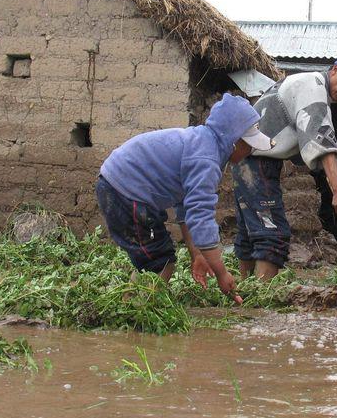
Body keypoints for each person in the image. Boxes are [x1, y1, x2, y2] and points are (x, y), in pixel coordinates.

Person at [96, 93, 274, 303]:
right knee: (160, 262)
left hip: (120, 188)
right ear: (234, 141)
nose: (250, 151)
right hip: (125, 192)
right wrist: (221, 273)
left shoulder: (202, 142)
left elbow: (186, 208)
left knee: (153, 259)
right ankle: (135, 314)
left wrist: (197, 254)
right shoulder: (206, 158)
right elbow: (200, 217)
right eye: (249, 144)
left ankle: (129, 304)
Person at [233, 55, 337, 280]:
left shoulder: (304, 84)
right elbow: (322, 140)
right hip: (257, 164)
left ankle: (243, 292)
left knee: (250, 234)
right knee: (272, 236)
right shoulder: (313, 86)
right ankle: (259, 303)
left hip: (244, 162)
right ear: (336, 70)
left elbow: (305, 142)